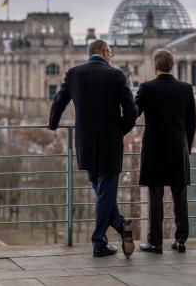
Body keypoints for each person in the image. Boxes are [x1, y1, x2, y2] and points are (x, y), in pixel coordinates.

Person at [48, 39, 137, 258]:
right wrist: (120, 131)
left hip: (85, 142)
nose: (112, 57)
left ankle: (119, 224)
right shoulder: (116, 75)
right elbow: (131, 112)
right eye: (112, 53)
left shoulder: (74, 73)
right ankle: (99, 242)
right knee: (105, 190)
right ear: (105, 52)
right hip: (110, 144)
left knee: (100, 189)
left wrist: (53, 124)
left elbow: (59, 101)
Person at [135, 49, 196, 254]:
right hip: (178, 149)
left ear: (155, 66)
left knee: (155, 196)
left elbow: (133, 114)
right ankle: (180, 241)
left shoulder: (146, 88)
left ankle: (155, 242)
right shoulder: (186, 88)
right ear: (172, 66)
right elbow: (191, 124)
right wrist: (186, 148)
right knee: (180, 196)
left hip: (154, 149)